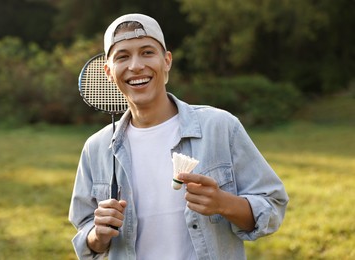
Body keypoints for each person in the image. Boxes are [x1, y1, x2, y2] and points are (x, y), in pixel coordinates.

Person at [69, 13, 289, 260]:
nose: (136, 65)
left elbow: (273, 205)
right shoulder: (96, 148)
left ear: (167, 61)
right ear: (109, 72)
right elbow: (86, 232)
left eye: (147, 52)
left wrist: (223, 203)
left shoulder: (220, 126)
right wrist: (97, 236)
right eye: (123, 56)